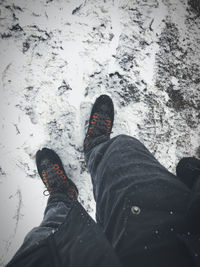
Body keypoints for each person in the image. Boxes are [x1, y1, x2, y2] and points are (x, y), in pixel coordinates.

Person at [6, 95, 200, 267]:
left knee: (52, 234)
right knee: (122, 152)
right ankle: (97, 146)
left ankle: (61, 196)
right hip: (182, 233)